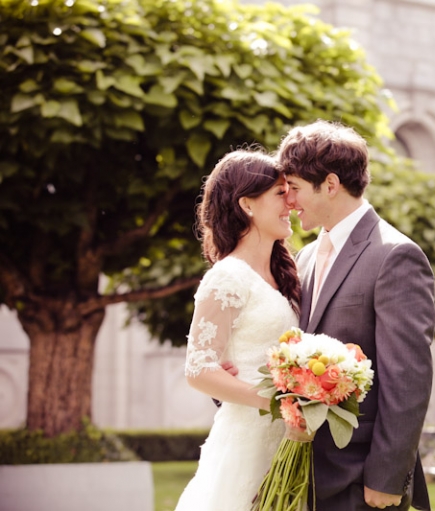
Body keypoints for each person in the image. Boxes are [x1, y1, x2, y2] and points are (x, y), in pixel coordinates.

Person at [280, 119, 435, 510]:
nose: (289, 200)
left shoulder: (395, 256)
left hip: (361, 480)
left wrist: (387, 477)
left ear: (330, 184)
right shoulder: (305, 257)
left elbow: (408, 378)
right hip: (306, 476)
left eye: (295, 187)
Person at [175, 149, 302, 511]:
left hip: (289, 438)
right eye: (280, 193)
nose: (291, 202)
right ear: (247, 204)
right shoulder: (228, 277)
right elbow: (199, 370)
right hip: (248, 438)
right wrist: (277, 403)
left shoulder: (286, 275)